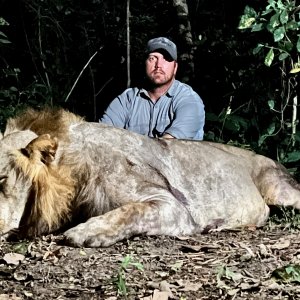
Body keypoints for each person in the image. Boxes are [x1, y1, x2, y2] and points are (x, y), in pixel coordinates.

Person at [100, 37, 205, 140]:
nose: (158, 65)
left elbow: (169, 146)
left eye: (166, 59)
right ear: (145, 63)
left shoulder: (189, 100)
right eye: (152, 58)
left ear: (175, 67)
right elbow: (103, 135)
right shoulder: (127, 99)